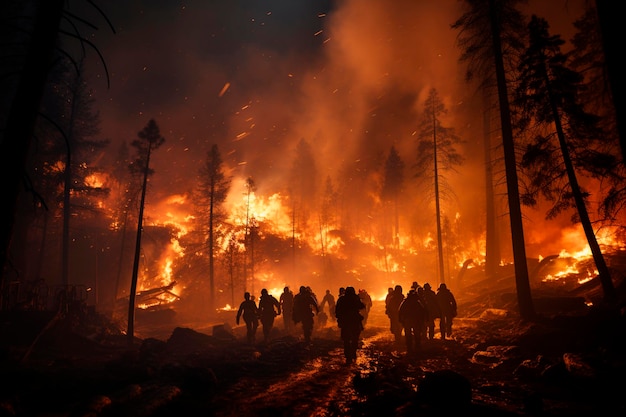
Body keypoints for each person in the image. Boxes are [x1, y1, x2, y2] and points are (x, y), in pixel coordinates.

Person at [334, 286, 366, 364]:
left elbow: (337, 310)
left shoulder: (341, 299)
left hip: (345, 322)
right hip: (354, 321)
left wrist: (340, 319)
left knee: (346, 339)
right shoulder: (355, 298)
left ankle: (348, 355)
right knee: (355, 338)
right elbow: (362, 306)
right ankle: (353, 353)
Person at [398, 289, 426, 355]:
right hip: (415, 320)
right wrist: (422, 320)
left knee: (408, 334)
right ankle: (417, 347)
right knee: (417, 334)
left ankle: (409, 348)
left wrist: (401, 320)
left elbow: (400, 311)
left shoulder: (405, 302)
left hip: (407, 320)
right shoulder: (417, 302)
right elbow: (422, 311)